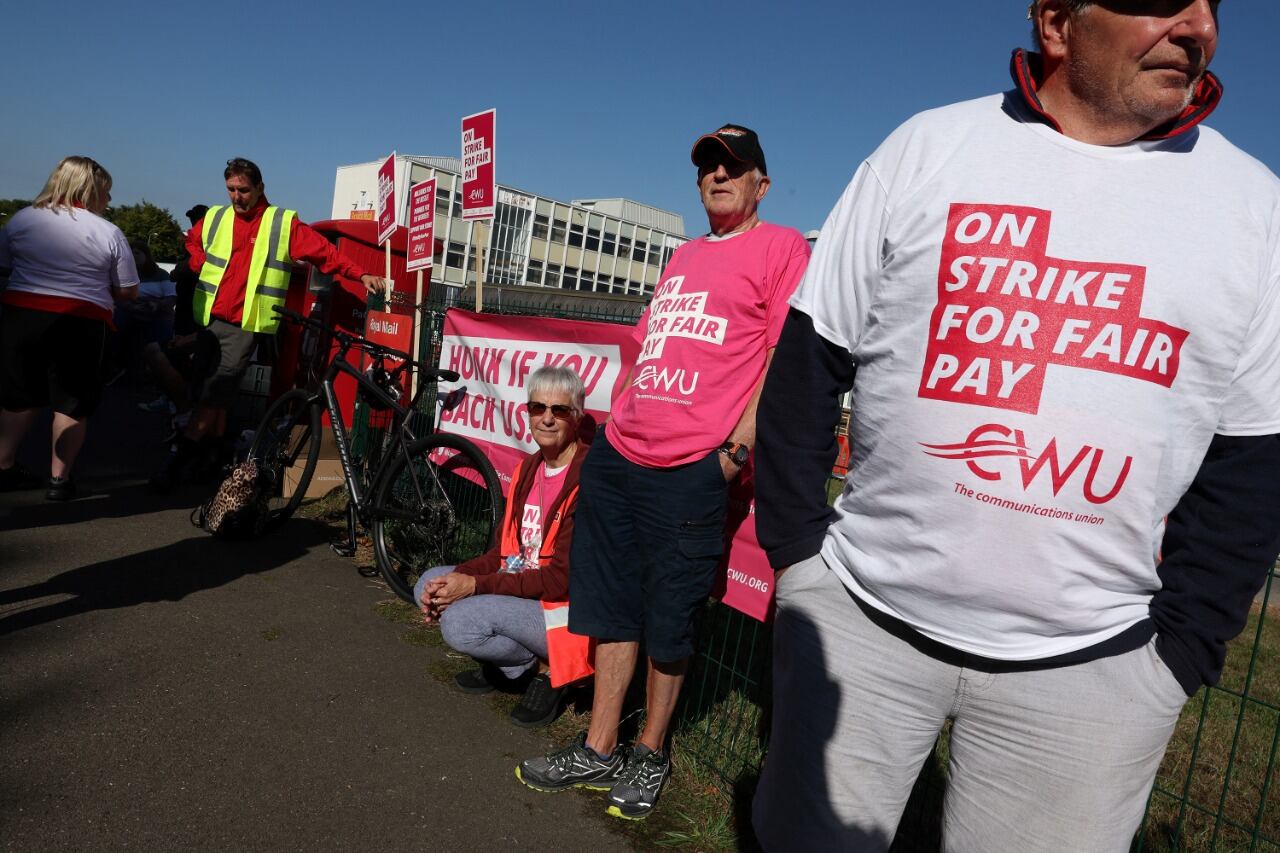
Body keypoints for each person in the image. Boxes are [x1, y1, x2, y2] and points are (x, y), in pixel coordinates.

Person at [752, 2, 1280, 850]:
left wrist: (1175, 656)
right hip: (859, 618)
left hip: (1095, 672)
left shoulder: (1255, 209)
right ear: (1058, 23)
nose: (1198, 27)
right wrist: (799, 561)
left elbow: (1254, 462)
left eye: (1211, 5)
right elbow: (811, 361)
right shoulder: (927, 148)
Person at [517, 124, 810, 820]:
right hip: (621, 456)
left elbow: (780, 357)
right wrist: (613, 423)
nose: (718, 175)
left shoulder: (782, 247)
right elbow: (646, 345)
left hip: (691, 467)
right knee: (612, 607)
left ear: (761, 184)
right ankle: (598, 746)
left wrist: (734, 452)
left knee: (671, 618)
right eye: (708, 166)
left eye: (733, 166)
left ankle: (650, 751)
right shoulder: (682, 256)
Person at [151, 159, 389, 490]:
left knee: (212, 394)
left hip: (245, 325)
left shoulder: (281, 224)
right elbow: (192, 239)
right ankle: (213, 460)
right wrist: (198, 259)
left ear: (260, 187)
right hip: (209, 319)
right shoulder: (216, 217)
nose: (237, 196)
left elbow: (324, 252)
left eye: (243, 190)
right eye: (231, 189)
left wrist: (360, 274)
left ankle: (177, 464)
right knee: (213, 395)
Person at [414, 366, 593, 728]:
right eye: (537, 407)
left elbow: (559, 581)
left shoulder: (589, 477)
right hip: (524, 590)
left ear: (576, 416)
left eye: (559, 410)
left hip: (565, 611)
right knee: (427, 583)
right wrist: (458, 579)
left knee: (459, 623)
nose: (546, 419)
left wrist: (475, 586)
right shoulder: (529, 468)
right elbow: (504, 555)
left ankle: (548, 671)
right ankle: (519, 666)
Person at [0, 156, 139, 501]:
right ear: (89, 190)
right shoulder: (107, 232)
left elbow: (4, 266)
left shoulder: (22, 220)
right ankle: (59, 481)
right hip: (82, 321)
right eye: (105, 191)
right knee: (72, 405)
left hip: (22, 316)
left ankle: (3, 466)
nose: (109, 199)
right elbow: (128, 291)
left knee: (18, 399)